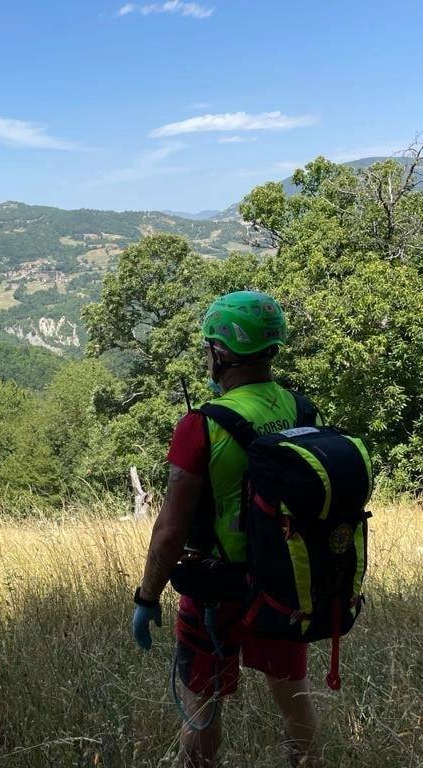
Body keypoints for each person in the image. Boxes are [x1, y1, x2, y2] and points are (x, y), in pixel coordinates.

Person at [132, 291, 322, 768]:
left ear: (220, 353)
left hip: (217, 589)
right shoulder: (303, 411)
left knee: (203, 706)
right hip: (284, 584)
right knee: (293, 695)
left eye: (207, 346)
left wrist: (147, 597)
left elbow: (170, 530)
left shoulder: (201, 426)